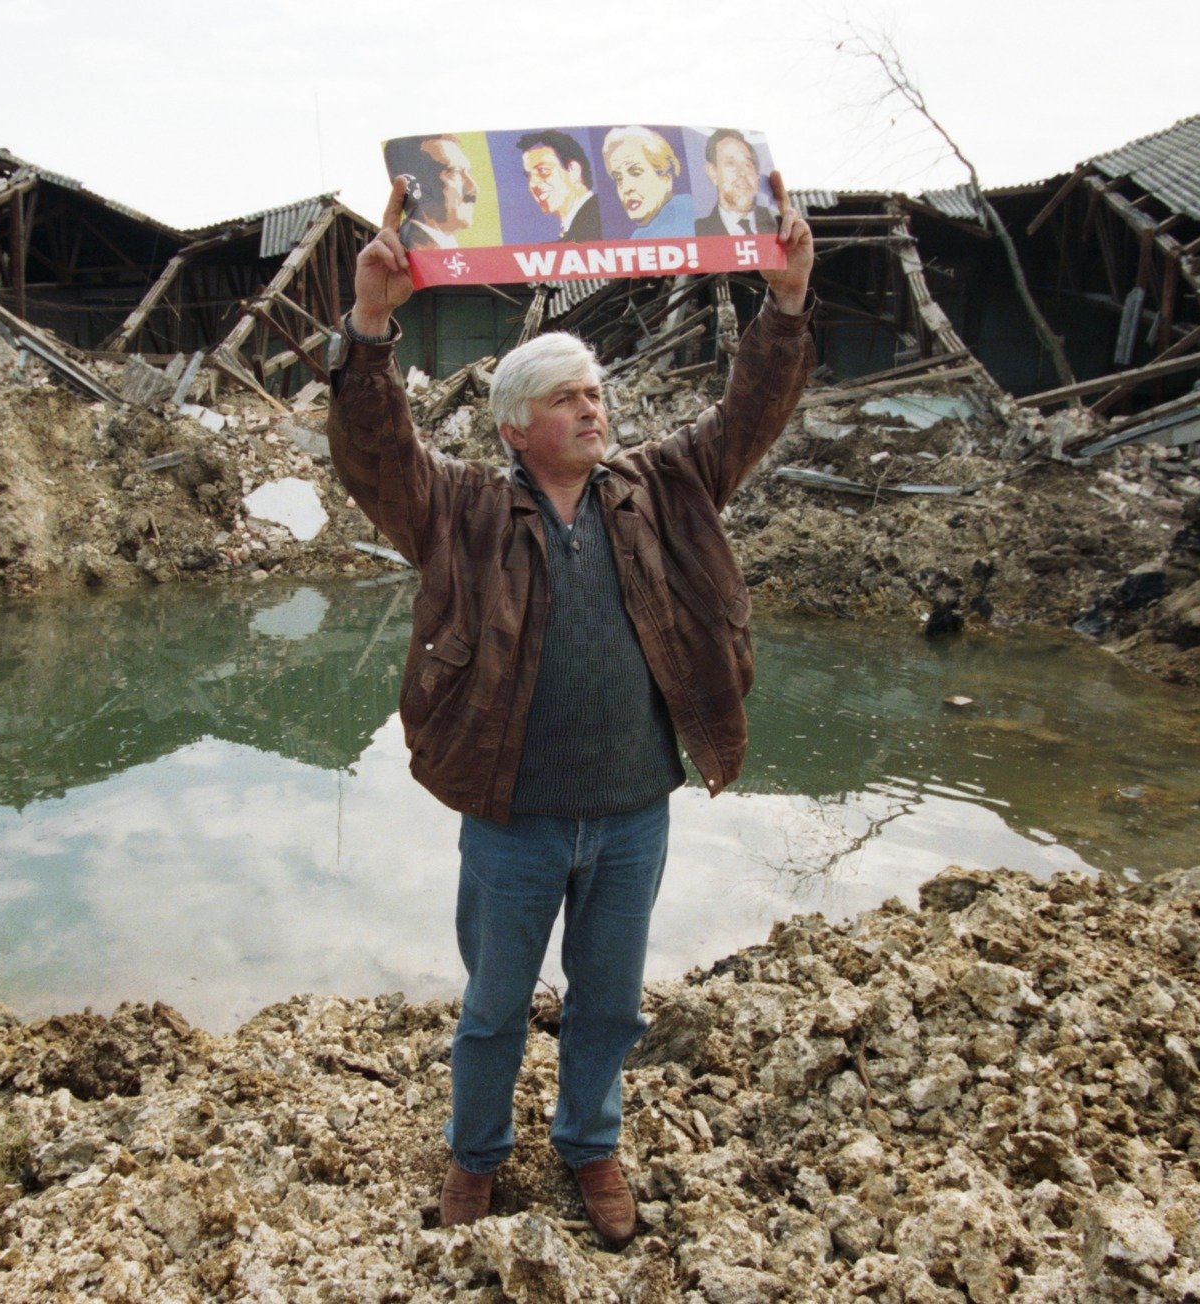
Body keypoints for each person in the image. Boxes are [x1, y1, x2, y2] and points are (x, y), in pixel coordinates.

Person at [325, 171, 815, 1242]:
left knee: (610, 1005)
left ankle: (591, 1146)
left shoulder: (666, 485)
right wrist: (370, 325)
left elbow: (750, 415)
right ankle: (475, 1157)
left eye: (596, 394)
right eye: (567, 398)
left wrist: (783, 305)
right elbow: (374, 455)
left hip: (636, 810)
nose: (593, 410)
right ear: (513, 427)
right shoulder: (459, 511)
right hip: (513, 820)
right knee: (494, 1007)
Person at [383, 134, 481, 250]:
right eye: (455, 172)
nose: (474, 188)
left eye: (468, 172)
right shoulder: (410, 251)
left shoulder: (450, 251)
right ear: (415, 186)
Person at [600, 126, 694, 239]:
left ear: (666, 179)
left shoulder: (686, 218)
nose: (626, 188)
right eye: (619, 179)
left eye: (636, 172)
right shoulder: (641, 235)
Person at [515, 130, 601, 243]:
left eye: (543, 170)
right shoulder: (574, 228)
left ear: (573, 170)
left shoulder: (601, 220)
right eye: (529, 176)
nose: (533, 184)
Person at [695, 129, 780, 237]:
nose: (742, 173)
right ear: (713, 172)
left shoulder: (778, 223)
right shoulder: (697, 232)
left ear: (757, 175)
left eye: (747, 164)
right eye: (731, 163)